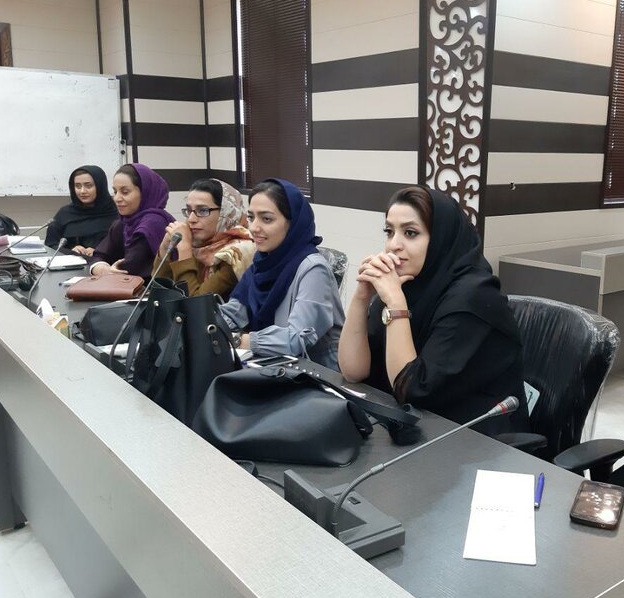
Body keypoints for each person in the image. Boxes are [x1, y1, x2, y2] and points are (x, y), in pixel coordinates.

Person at [338, 186, 531, 435]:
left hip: (477, 438)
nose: (393, 245)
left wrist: (396, 303)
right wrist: (362, 296)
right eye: (389, 231)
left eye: (410, 233)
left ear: (442, 239)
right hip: (417, 428)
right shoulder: (405, 284)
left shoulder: (474, 296)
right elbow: (353, 371)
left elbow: (413, 390)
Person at [220, 179, 343, 370]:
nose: (253, 227)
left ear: (293, 223)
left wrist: (237, 340)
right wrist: (206, 324)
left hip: (313, 377)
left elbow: (296, 338)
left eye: (266, 219)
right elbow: (234, 312)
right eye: (251, 217)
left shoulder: (313, 269)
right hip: (272, 369)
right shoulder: (262, 263)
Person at [152, 178, 254, 299]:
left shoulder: (237, 253)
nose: (191, 219)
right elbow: (160, 293)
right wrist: (165, 247)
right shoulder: (202, 247)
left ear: (225, 212)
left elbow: (195, 303)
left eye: (203, 210)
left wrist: (185, 250)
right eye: (189, 210)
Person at [89, 164, 175, 280]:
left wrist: (109, 271)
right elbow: (99, 255)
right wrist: (103, 269)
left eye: (125, 192)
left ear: (144, 192)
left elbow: (127, 270)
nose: (117, 198)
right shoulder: (124, 222)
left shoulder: (152, 223)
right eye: (115, 192)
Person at [45, 165, 117, 255]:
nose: (82, 191)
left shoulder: (117, 212)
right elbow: (50, 245)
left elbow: (124, 248)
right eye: (78, 186)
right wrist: (71, 251)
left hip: (106, 262)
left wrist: (100, 251)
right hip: (71, 262)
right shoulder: (65, 213)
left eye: (88, 186)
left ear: (100, 186)